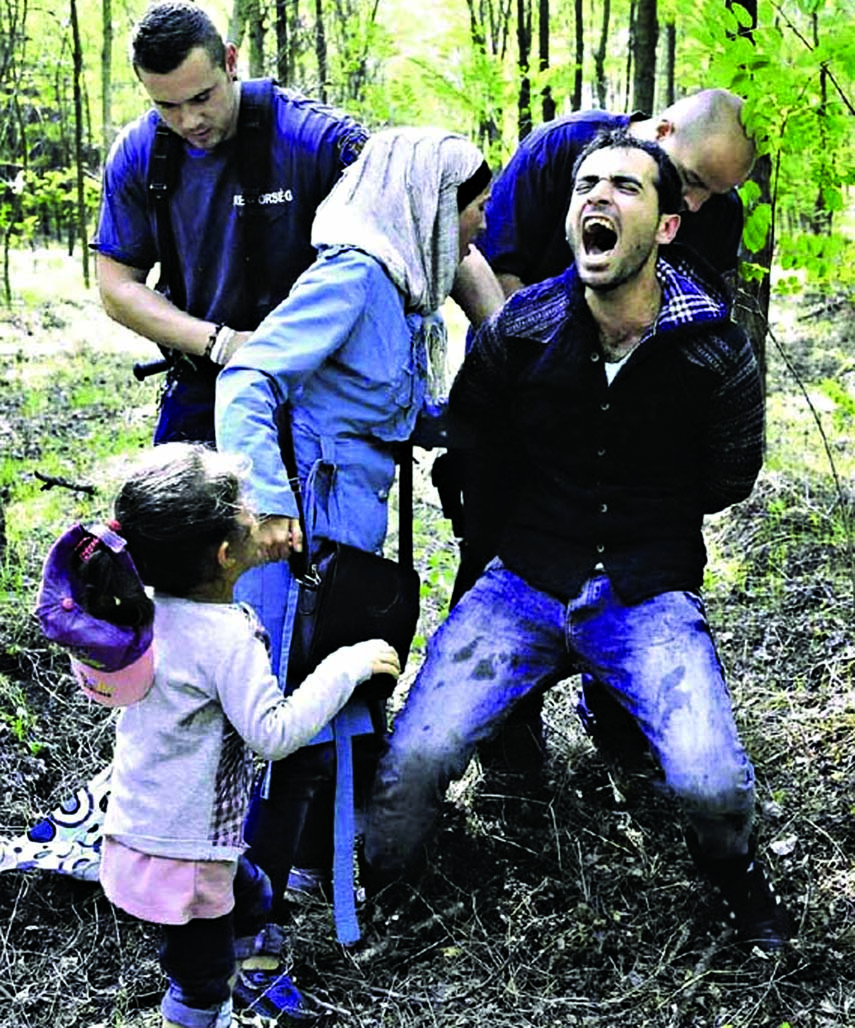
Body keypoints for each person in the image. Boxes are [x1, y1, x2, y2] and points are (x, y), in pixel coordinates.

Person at [362, 129, 790, 952]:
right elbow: (475, 446)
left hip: (643, 592)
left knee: (709, 783)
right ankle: (387, 890)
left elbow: (726, 479)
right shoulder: (519, 330)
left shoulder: (713, 351)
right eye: (585, 185)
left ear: (667, 226)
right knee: (415, 762)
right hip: (522, 581)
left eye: (626, 188)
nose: (598, 197)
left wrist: (642, 517)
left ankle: (739, 887)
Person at [214, 127, 493, 928]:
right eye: (468, 208)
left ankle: (303, 871)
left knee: (329, 695)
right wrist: (267, 503)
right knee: (286, 705)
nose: (477, 228)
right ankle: (250, 906)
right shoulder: (354, 277)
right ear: (426, 204)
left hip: (347, 529)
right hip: (300, 535)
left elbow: (379, 406)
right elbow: (247, 378)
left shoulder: (399, 293)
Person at [446, 88, 757, 774]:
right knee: (495, 562)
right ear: (663, 128)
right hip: (519, 420)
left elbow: (694, 320)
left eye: (716, 193)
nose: (701, 204)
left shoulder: (714, 212)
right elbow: (494, 268)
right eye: (697, 182)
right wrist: (537, 373)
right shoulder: (562, 149)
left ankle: (620, 721)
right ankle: (510, 750)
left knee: (643, 574)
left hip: (637, 437)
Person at [35, 443, 400, 1027]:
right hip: (191, 858)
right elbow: (273, 735)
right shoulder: (224, 639)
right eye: (247, 504)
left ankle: (242, 962)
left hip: (141, 832)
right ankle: (203, 1011)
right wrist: (345, 666)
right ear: (228, 554)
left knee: (253, 897)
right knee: (199, 981)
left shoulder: (140, 614)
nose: (259, 509)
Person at [91, 0, 368, 445]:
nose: (189, 120)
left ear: (231, 61)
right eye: (167, 105)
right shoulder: (140, 152)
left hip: (317, 382)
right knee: (175, 510)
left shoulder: (317, 139)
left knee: (297, 515)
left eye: (202, 97)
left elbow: (423, 227)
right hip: (205, 372)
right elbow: (117, 286)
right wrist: (223, 343)